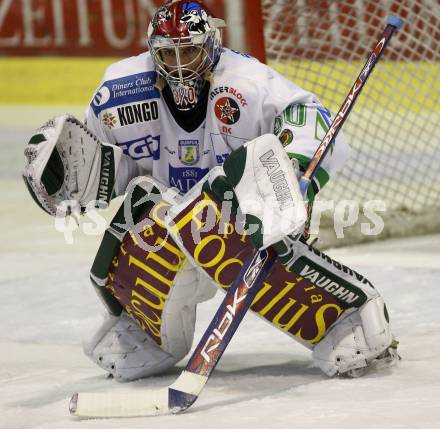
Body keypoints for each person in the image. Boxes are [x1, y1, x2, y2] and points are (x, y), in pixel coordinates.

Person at [23, 0, 399, 382]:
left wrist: (293, 167)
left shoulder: (247, 82)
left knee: (236, 188)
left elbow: (310, 117)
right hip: (170, 225)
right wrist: (73, 177)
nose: (180, 63)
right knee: (144, 207)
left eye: (189, 49)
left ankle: (346, 318)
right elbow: (111, 169)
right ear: (153, 53)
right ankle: (148, 332)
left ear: (212, 44)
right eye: (169, 53)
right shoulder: (121, 91)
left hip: (244, 221)